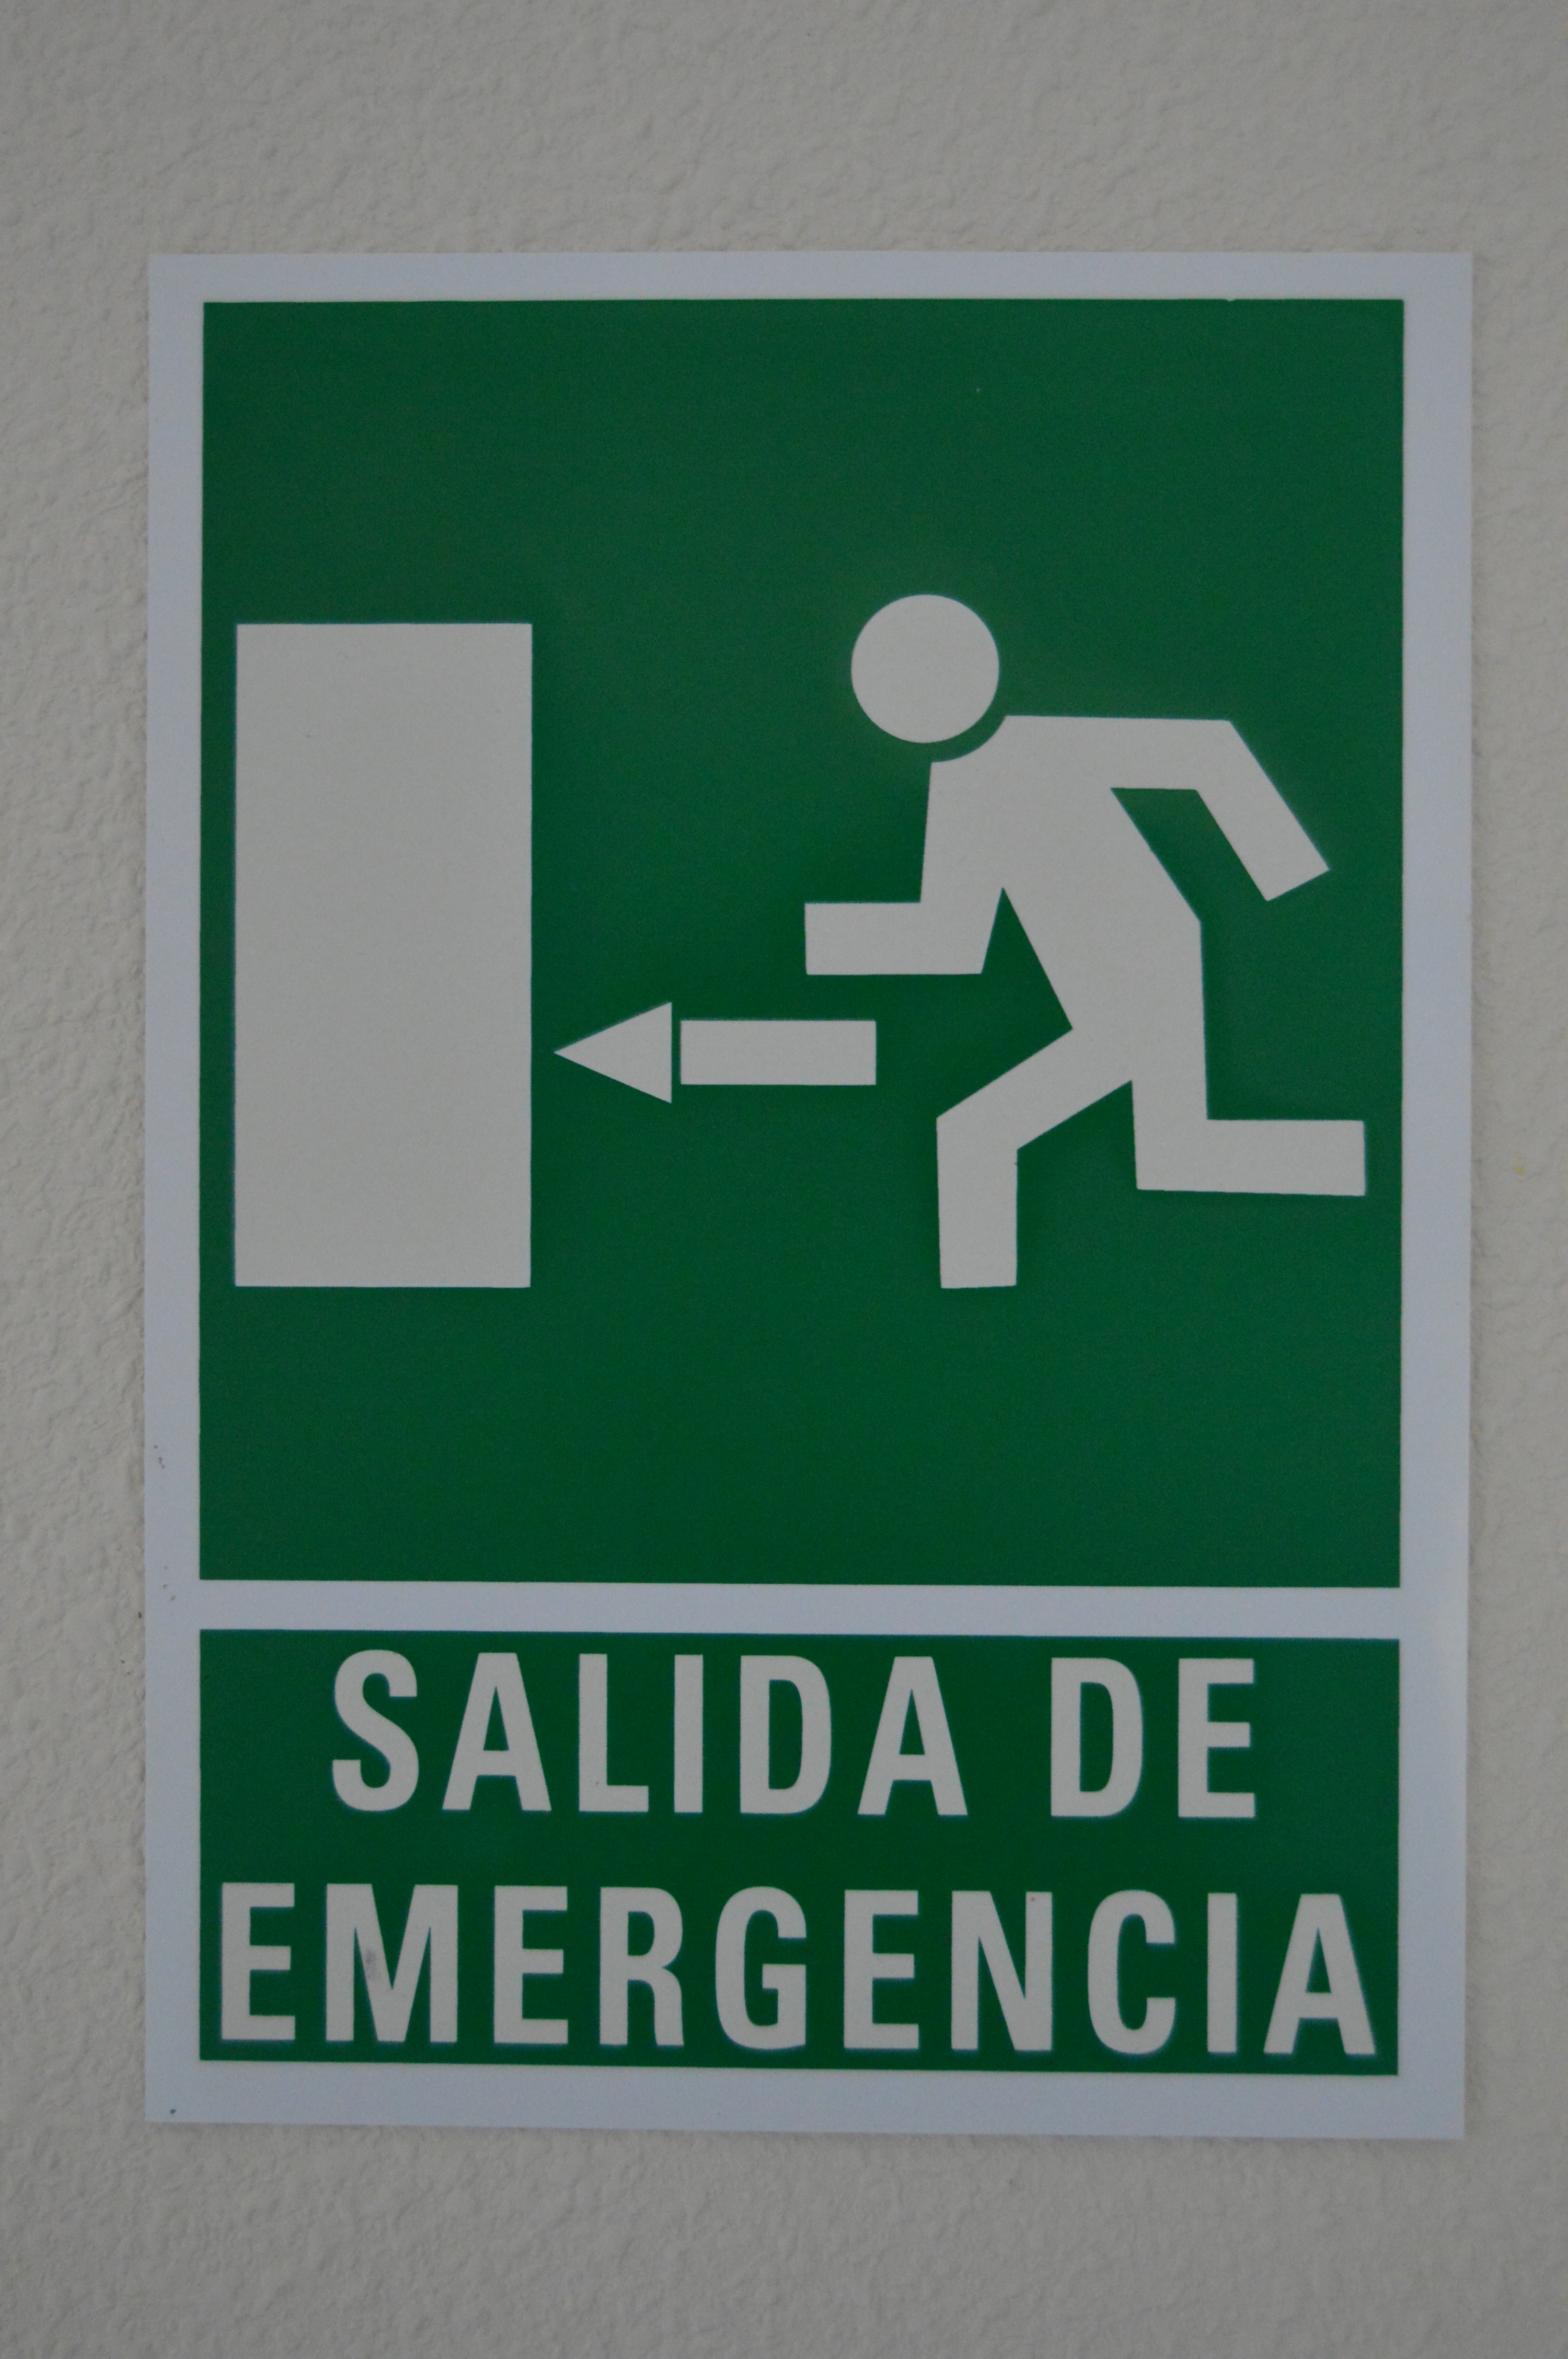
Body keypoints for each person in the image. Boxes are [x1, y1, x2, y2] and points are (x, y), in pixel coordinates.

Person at [805, 596, 1365, 1289]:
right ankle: (1363, 1161)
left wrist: (1285, 867)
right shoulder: (963, 790)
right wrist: (822, 938)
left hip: (1140, 978)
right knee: (1180, 1151)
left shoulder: (1043, 746)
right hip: (1126, 981)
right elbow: (954, 940)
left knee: (980, 1135)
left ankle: (983, 1318)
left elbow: (1206, 752)